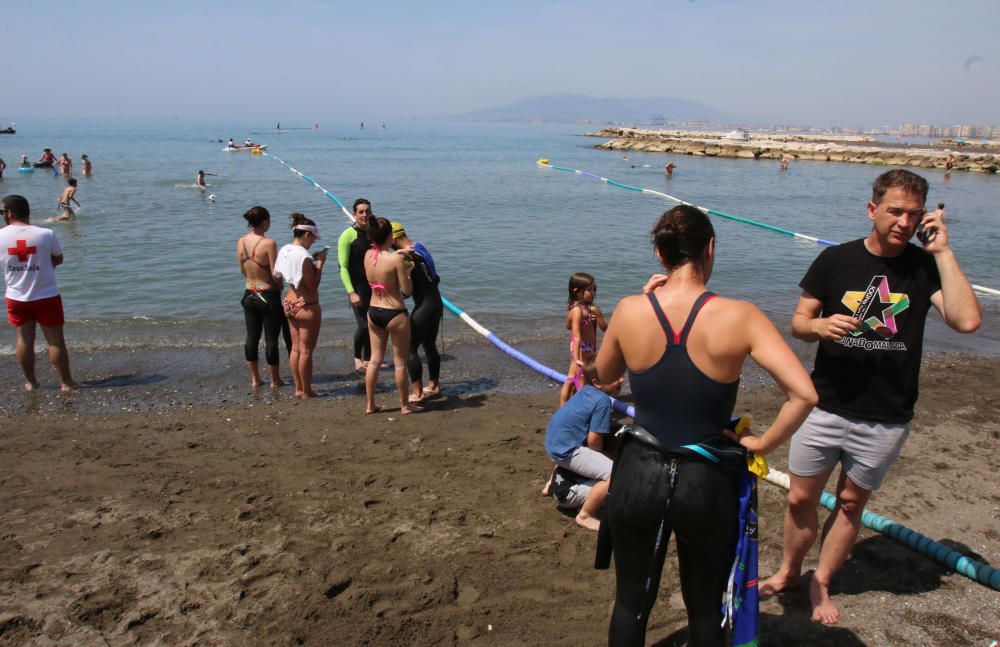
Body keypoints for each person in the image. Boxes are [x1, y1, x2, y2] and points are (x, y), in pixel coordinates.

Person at [760, 169, 981, 625]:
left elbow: (966, 322)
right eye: (895, 211)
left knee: (850, 504)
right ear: (872, 209)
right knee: (801, 499)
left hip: (886, 415)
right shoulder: (835, 260)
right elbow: (799, 323)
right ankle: (789, 572)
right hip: (823, 405)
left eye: (913, 214)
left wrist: (943, 251)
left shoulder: (924, 268)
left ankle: (821, 581)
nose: (903, 221)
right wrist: (819, 326)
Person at [595, 204, 817, 646]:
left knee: (631, 602)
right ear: (710, 248)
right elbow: (805, 394)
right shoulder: (742, 316)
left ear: (660, 256)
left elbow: (603, 377)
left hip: (638, 472)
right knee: (704, 608)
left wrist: (641, 303)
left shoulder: (628, 309)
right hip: (706, 479)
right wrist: (761, 443)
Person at [0, 194, 79, 392]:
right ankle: (66, 383)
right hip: (46, 295)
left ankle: (32, 383)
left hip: (16, 296)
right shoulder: (45, 234)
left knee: (24, 340)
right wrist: (41, 267)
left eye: (2, 212)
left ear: (10, 213)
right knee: (55, 340)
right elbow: (58, 259)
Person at [543, 356, 621, 531]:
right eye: (615, 376)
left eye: (621, 374)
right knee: (616, 475)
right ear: (597, 383)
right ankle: (585, 515)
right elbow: (594, 440)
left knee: (589, 454)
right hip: (567, 450)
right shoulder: (602, 400)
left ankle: (550, 483)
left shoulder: (586, 390)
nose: (622, 379)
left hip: (554, 443)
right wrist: (601, 457)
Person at [363, 217, 421, 415]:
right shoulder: (396, 260)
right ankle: (405, 405)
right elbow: (406, 291)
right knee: (399, 362)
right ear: (390, 236)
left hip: (373, 311)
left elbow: (381, 260)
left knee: (374, 360)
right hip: (394, 312)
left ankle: (370, 404)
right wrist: (408, 271)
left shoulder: (368, 255)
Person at [274, 213, 327, 398]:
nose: (313, 242)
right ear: (306, 235)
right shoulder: (304, 256)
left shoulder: (285, 250)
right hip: (307, 305)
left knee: (295, 348)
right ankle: (307, 390)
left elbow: (278, 276)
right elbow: (312, 286)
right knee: (306, 351)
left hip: (289, 303)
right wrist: (319, 265)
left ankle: (298, 388)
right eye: (313, 238)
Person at [390, 221, 443, 401]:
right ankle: (434, 385)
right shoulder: (419, 246)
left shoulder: (408, 258)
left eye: (390, 241)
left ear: (395, 238)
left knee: (409, 348)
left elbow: (407, 291)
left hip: (424, 306)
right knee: (429, 345)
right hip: (435, 303)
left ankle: (418, 392)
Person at [237, 206, 289, 389]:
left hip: (249, 293)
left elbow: (242, 269)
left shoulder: (241, 241)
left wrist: (254, 278)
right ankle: (275, 380)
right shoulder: (269, 243)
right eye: (269, 220)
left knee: (252, 337)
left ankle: (255, 379)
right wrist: (281, 285)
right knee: (271, 339)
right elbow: (276, 273)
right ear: (265, 221)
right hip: (268, 295)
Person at [560, 272, 608, 406]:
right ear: (577, 291)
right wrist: (576, 359)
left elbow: (605, 328)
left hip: (589, 347)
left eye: (594, 289)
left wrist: (596, 317)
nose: (593, 293)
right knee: (573, 379)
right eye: (589, 289)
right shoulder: (576, 310)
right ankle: (565, 408)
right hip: (580, 347)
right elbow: (575, 335)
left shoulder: (590, 309)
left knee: (581, 378)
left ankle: (573, 405)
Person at [337, 198, 373, 372]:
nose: (364, 215)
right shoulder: (347, 235)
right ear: (354, 215)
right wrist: (351, 292)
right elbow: (342, 267)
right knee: (363, 325)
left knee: (374, 324)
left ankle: (371, 358)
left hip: (374, 287)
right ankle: (358, 358)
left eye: (367, 211)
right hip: (357, 287)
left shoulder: (373, 233)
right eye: (361, 212)